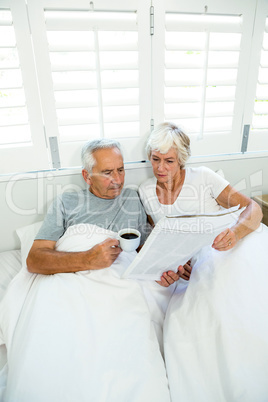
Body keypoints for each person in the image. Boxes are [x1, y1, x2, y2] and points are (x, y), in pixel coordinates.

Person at [0, 139, 184, 402]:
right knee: (60, 344)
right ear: (87, 176)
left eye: (121, 170)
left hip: (121, 284)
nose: (117, 180)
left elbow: (148, 249)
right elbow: (35, 259)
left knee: (127, 344)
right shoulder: (68, 201)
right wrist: (88, 258)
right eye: (107, 172)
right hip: (73, 281)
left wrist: (167, 268)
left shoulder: (135, 198)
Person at [139, 122, 268, 402]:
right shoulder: (146, 191)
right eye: (155, 159)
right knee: (191, 325)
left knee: (229, 308)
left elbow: (252, 208)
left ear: (182, 160)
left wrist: (234, 233)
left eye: (169, 161)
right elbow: (160, 239)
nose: (161, 168)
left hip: (226, 249)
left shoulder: (204, 178)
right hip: (192, 265)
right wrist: (173, 265)